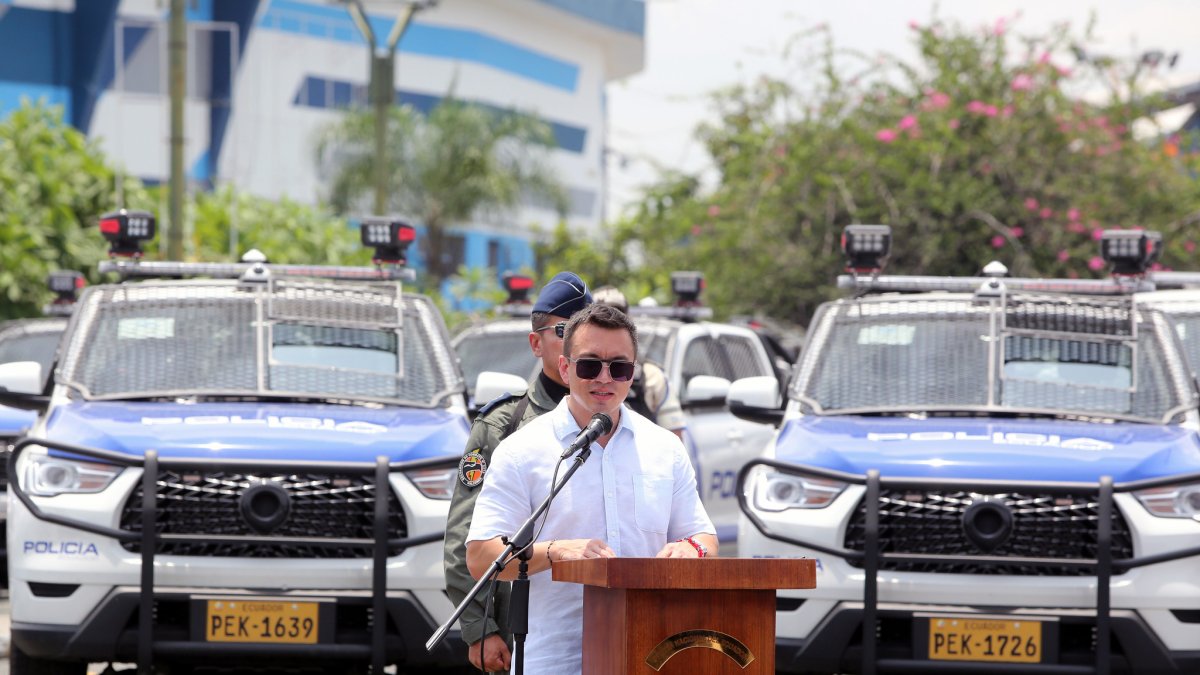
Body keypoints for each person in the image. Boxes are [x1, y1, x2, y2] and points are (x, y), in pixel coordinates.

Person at [465, 304, 718, 675]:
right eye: (589, 365)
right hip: (555, 659)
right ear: (565, 368)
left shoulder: (665, 448)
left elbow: (705, 538)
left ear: (633, 374)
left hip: (653, 653)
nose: (605, 378)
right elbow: (480, 557)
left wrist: (690, 549)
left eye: (619, 367)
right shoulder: (522, 450)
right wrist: (557, 551)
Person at [443, 271, 593, 674]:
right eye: (565, 330)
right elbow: (466, 539)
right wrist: (480, 628)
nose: (578, 340)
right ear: (536, 342)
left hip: (607, 622)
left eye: (585, 327)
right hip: (520, 630)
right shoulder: (503, 426)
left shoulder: (620, 423)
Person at [591, 286, 686, 439]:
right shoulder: (573, 372)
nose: (604, 378)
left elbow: (675, 442)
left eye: (616, 317)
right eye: (598, 319)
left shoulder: (651, 377)